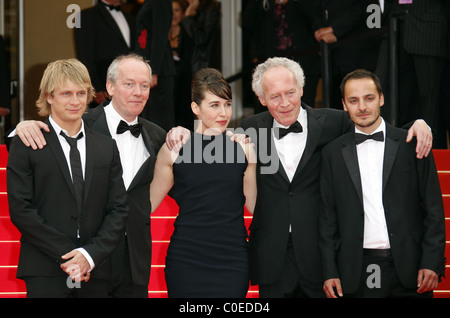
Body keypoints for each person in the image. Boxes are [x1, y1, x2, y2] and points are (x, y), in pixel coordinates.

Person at [165, 57, 433, 298]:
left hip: (319, 255)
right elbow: (211, 134)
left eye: (290, 93)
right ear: (261, 98)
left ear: (302, 89)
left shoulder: (333, 122)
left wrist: (417, 125)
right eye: (274, 96)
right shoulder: (249, 129)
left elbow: (373, 125)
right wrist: (181, 130)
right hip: (271, 257)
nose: (284, 103)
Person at [11, 54, 166, 298]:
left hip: (114, 262)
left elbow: (120, 206)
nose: (138, 92)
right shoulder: (38, 136)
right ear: (110, 87)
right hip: (48, 265)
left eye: (144, 85)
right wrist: (20, 127)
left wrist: (89, 255)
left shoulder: (155, 136)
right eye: (129, 83)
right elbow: (21, 208)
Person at [319, 69, 446, 298]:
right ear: (344, 105)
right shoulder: (332, 154)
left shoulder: (412, 143)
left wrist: (432, 261)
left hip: (411, 265)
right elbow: (327, 217)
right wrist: (329, 271)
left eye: (369, 98)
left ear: (381, 98)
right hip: (357, 267)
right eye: (353, 100)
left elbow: (434, 208)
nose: (362, 107)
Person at [150, 68, 257, 298]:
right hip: (186, 259)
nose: (223, 112)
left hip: (232, 260)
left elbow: (254, 206)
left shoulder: (244, 148)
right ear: (195, 108)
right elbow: (145, 204)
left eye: (227, 104)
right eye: (214, 105)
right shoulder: (174, 149)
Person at [74, 0, 136, 107]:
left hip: (130, 88)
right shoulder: (85, 16)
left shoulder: (130, 17)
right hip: (103, 89)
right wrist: (95, 88)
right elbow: (85, 56)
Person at [135, 0, 176, 131]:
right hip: (151, 68)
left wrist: (154, 71)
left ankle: (165, 152)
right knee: (151, 121)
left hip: (160, 70)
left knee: (159, 123)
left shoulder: (160, 2)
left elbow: (160, 36)